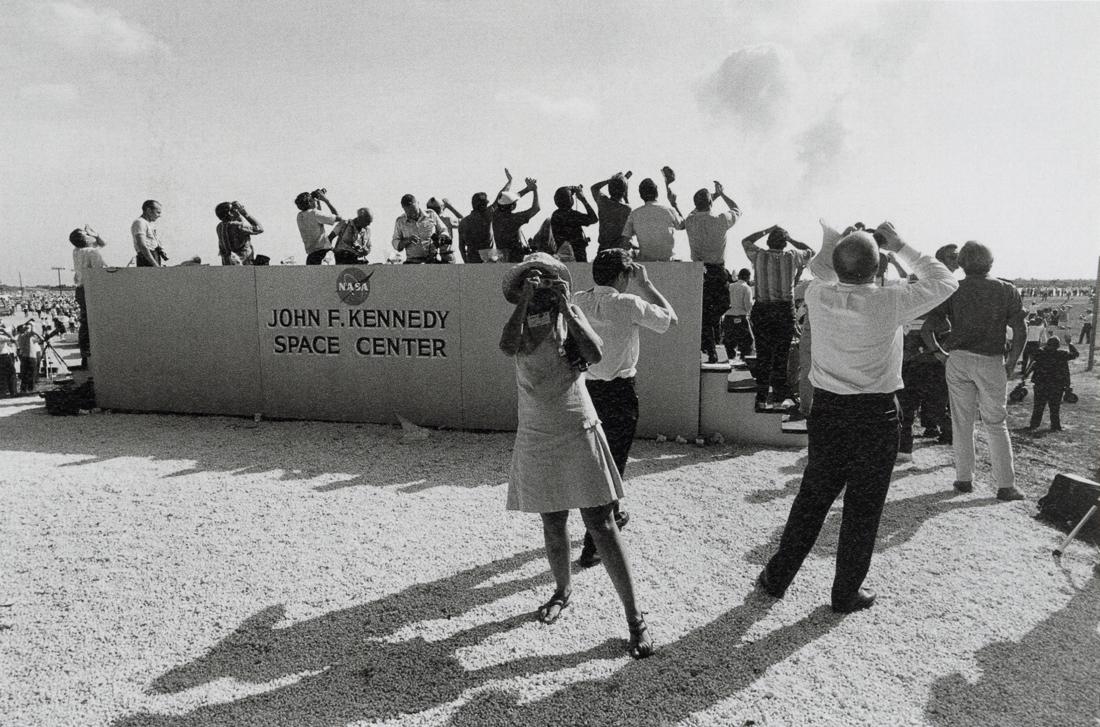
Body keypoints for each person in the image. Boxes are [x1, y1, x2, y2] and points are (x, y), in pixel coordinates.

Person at [756, 221, 957, 613]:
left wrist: (843, 242)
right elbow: (945, 280)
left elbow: (823, 271)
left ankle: (777, 577)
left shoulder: (817, 293)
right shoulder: (891, 301)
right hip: (875, 413)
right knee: (863, 507)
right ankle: (845, 592)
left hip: (829, 411)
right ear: (878, 266)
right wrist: (898, 244)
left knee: (812, 497)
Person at [499, 252, 653, 659]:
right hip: (536, 427)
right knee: (553, 521)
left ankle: (635, 618)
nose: (540, 284)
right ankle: (563, 591)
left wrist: (567, 305)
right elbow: (507, 345)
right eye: (532, 279)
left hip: (575, 422)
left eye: (547, 278)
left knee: (601, 522)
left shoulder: (570, 315)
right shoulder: (520, 321)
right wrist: (524, 304)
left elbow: (596, 353)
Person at [572, 249, 677, 567]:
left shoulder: (578, 298)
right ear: (622, 276)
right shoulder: (629, 303)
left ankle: (613, 512)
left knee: (596, 462)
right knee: (612, 465)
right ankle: (593, 546)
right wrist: (646, 285)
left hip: (586, 390)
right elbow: (670, 319)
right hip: (619, 392)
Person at [922, 241, 1027, 501]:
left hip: (958, 359)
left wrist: (939, 353)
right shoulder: (1007, 290)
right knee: (995, 423)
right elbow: (1021, 330)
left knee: (962, 423)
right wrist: (1012, 362)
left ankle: (964, 479)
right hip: (991, 360)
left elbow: (927, 330)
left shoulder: (954, 289)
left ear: (962, 264)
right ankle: (1005, 485)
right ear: (990, 262)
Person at [741, 224, 814, 406]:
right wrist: (791, 239)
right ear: (784, 244)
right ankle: (779, 398)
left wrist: (765, 230)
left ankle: (761, 397)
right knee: (782, 356)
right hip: (783, 309)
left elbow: (746, 241)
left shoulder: (759, 255)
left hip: (763, 308)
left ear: (768, 241)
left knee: (764, 355)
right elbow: (810, 251)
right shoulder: (792, 256)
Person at [685, 181, 742, 363]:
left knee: (705, 314)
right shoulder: (721, 220)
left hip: (698, 272)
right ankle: (711, 346)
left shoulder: (690, 221)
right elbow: (736, 208)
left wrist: (712, 197)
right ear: (711, 203)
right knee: (716, 311)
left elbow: (697, 209)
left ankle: (710, 346)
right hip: (717, 271)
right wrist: (722, 194)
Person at [618, 172, 684, 262]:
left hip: (645, 260)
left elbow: (624, 244)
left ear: (641, 195)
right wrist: (674, 204)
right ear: (657, 191)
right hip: (667, 260)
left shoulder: (634, 214)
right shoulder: (669, 210)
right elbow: (683, 225)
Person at [71, 226, 108, 367]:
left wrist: (95, 234)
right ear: (85, 239)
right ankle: (93, 353)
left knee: (85, 321)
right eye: (88, 235)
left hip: (80, 289)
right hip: (92, 289)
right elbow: (100, 272)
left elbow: (102, 244)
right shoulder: (92, 252)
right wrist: (96, 234)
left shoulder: (77, 250)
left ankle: (85, 355)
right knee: (95, 321)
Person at [1028, 336, 1078, 431]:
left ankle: (1034, 424)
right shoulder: (1062, 354)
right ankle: (1055, 426)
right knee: (1055, 408)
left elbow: (1032, 355)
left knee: (1038, 406)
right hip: (1056, 385)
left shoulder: (1039, 353)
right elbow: (1075, 354)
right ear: (1058, 346)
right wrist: (1070, 344)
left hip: (1041, 384)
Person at [492, 172, 540, 263]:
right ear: (512, 207)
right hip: (515, 258)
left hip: (502, 258)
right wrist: (534, 190)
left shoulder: (495, 215)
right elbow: (536, 208)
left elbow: (503, 198)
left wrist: (527, 189)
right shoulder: (515, 219)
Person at [545, 185, 598, 262]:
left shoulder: (555, 215)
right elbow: (594, 219)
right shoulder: (572, 215)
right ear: (569, 200)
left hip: (562, 255)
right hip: (577, 257)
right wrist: (583, 199)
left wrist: (570, 191)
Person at [392, 194, 448, 264]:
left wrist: (442, 237)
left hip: (432, 261)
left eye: (414, 211)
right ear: (403, 208)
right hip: (412, 262)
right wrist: (407, 240)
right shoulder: (400, 221)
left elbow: (444, 230)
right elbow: (395, 243)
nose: (413, 214)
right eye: (409, 212)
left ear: (418, 203)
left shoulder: (431, 214)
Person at [295, 189, 342, 265]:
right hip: (324, 255)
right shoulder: (315, 214)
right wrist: (326, 201)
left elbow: (317, 218)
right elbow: (339, 218)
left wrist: (317, 202)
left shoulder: (300, 216)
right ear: (310, 202)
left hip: (311, 256)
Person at [591, 171, 632, 252]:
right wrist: (626, 197)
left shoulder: (603, 202)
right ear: (623, 191)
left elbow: (594, 188)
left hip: (603, 248)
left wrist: (610, 181)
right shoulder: (626, 209)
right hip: (619, 251)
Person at [721, 268, 754, 362]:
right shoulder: (746, 287)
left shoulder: (730, 286)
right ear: (748, 277)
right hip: (741, 317)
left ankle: (729, 359)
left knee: (729, 341)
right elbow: (748, 304)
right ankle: (744, 361)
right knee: (747, 341)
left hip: (728, 317)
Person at [457, 192, 493, 263]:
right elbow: (501, 197)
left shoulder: (463, 222)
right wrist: (510, 182)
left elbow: (461, 247)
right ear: (483, 205)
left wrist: (466, 261)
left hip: (471, 259)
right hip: (488, 259)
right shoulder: (487, 216)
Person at [131, 200, 167, 267]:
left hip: (153, 256)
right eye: (158, 212)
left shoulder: (148, 224)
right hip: (147, 258)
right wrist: (155, 264)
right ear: (149, 210)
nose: (159, 216)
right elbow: (142, 246)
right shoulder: (140, 222)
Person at [16, 323, 44, 394]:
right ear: (21, 330)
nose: (25, 328)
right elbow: (33, 332)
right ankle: (30, 389)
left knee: (25, 374)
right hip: (31, 357)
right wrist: (32, 324)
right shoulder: (26, 335)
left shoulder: (21, 336)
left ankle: (23, 389)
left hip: (24, 357)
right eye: (24, 327)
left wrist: (39, 337)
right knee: (32, 373)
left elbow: (37, 340)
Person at [0, 324, 17, 397]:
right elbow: (13, 340)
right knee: (11, 374)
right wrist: (5, 332)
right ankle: (13, 392)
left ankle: (2, 393)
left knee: (2, 375)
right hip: (4, 356)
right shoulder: (1, 337)